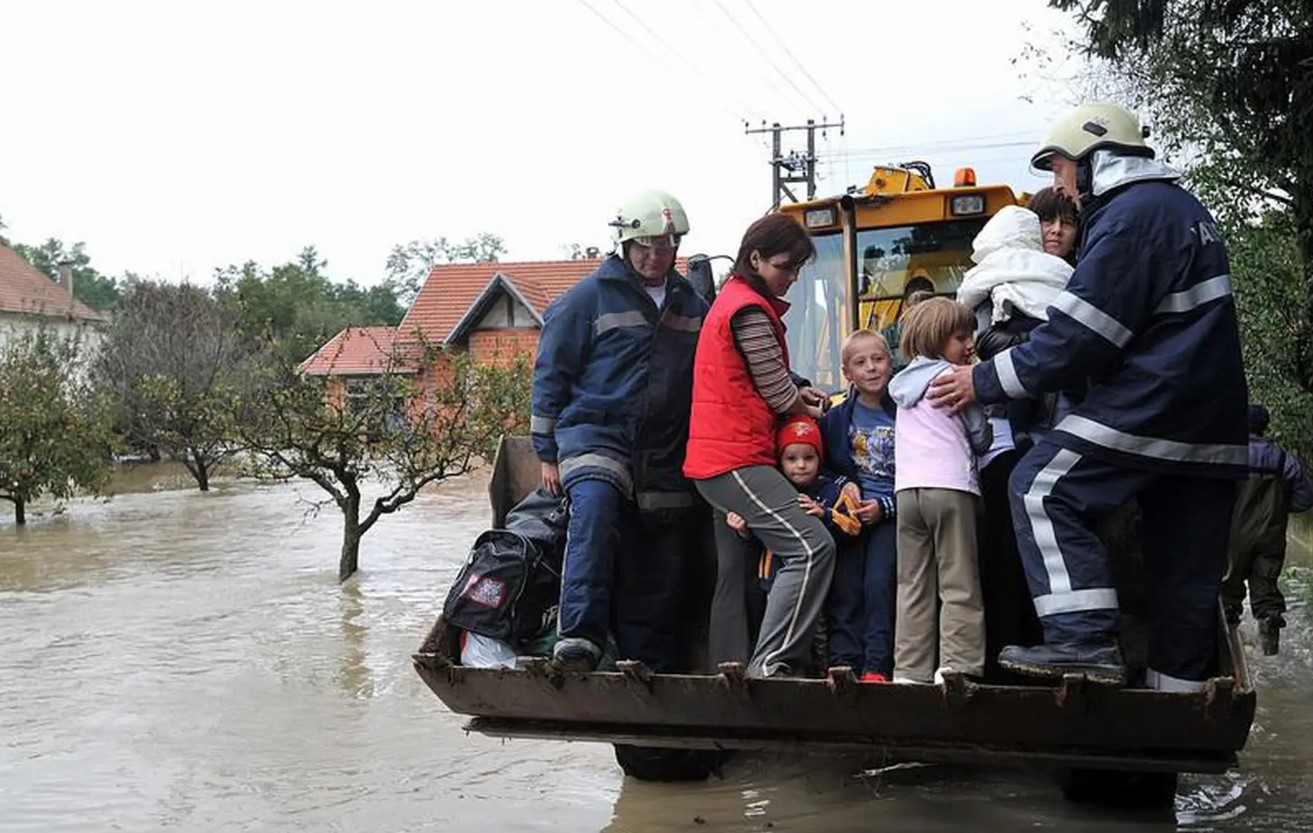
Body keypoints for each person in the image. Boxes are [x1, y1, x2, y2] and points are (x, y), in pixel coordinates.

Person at [928, 102, 1249, 690]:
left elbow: (1081, 337)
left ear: (1092, 159)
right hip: (1213, 429)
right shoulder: (1182, 211)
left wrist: (981, 379)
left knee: (1038, 486)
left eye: (1059, 172)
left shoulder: (1132, 217)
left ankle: (1082, 641)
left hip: (1155, 407)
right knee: (1182, 578)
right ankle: (1174, 713)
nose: (1060, 190)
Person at [531, 189, 709, 673]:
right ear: (625, 243)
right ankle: (580, 638)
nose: (656, 256)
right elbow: (551, 375)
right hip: (595, 432)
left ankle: (645, 660)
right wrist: (547, 453)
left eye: (667, 246)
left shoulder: (693, 304)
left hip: (663, 446)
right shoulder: (586, 299)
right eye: (646, 245)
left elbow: (728, 361)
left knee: (664, 547)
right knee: (595, 511)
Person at [686, 213, 835, 678]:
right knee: (812, 548)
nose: (791, 278)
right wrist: (809, 410)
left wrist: (796, 392)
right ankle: (770, 665)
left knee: (734, 574)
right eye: (785, 267)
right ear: (755, 258)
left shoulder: (735, 300)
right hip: (734, 457)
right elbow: (774, 392)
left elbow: (759, 377)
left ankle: (731, 671)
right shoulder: (749, 309)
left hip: (720, 455)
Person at [888, 298, 992, 683]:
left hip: (908, 492)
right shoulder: (954, 377)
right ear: (936, 340)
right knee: (958, 576)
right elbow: (981, 437)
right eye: (961, 337)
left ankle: (910, 669)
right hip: (950, 486)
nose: (969, 345)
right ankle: (958, 663)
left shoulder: (901, 385)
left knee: (912, 581)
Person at [819, 329, 899, 681]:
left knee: (879, 584)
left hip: (890, 514)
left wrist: (885, 506)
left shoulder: (905, 413)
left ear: (890, 363)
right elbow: (822, 469)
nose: (871, 368)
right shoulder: (836, 419)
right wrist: (843, 484)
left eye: (878, 359)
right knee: (846, 586)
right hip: (849, 518)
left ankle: (876, 665)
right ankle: (843, 662)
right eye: (860, 362)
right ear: (847, 373)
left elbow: (924, 470)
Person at [1222, 404, 1313, 655]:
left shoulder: (1230, 455)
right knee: (1267, 592)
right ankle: (1270, 641)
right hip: (1272, 536)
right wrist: (1279, 508)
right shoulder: (1283, 458)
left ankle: (1230, 649)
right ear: (1265, 427)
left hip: (1235, 536)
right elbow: (1305, 498)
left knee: (1228, 592)